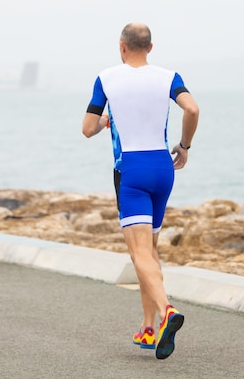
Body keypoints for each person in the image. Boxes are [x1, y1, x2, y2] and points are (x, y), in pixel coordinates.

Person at [82, 23, 199, 360]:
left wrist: (108, 121)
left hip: (130, 170)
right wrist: (186, 146)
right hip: (163, 168)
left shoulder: (106, 79)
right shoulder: (168, 76)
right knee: (150, 253)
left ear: (122, 46)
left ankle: (166, 312)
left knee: (140, 255)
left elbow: (88, 129)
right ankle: (149, 327)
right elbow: (192, 109)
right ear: (150, 47)